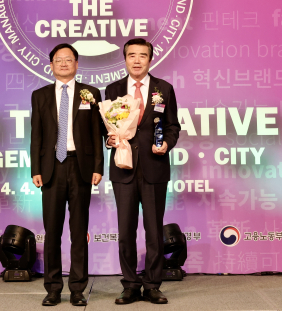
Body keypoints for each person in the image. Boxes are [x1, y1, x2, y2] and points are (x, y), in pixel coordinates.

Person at [105, 38, 181, 305]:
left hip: (154, 168)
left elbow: (172, 126)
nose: (137, 60)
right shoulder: (113, 89)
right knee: (125, 230)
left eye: (142, 55)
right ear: (125, 59)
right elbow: (106, 126)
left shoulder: (164, 89)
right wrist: (109, 139)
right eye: (132, 55)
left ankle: (152, 285)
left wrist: (167, 144)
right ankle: (129, 285)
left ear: (150, 59)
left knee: (153, 230)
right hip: (123, 168)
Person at [30, 43, 104, 307]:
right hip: (51, 167)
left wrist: (98, 166)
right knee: (52, 231)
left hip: (80, 166)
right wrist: (35, 169)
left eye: (68, 59)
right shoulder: (40, 95)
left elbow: (97, 133)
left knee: (79, 230)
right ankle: (52, 288)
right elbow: (36, 135)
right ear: (51, 65)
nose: (63, 63)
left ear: (76, 64)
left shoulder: (90, 93)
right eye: (58, 60)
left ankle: (77, 288)